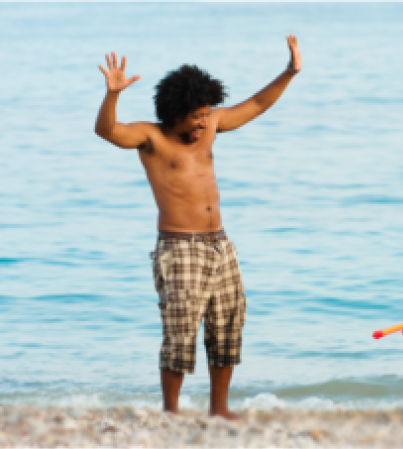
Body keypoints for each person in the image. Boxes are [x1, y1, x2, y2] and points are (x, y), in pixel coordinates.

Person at [94, 36, 302, 419]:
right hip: (180, 246)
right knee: (181, 334)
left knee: (227, 326)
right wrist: (112, 96)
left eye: (207, 114)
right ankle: (171, 412)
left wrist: (289, 72)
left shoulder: (210, 127)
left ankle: (219, 409)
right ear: (176, 113)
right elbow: (108, 132)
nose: (204, 122)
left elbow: (256, 104)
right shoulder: (151, 137)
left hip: (221, 244)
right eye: (197, 116)